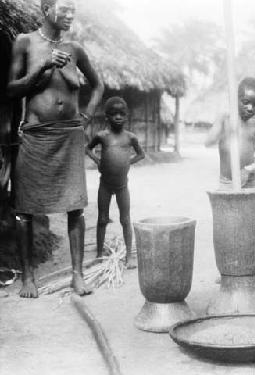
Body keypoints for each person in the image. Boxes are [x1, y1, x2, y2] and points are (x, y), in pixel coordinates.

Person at [7, 0, 104, 297]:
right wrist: (43, 66)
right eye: (64, 9)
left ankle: (78, 275)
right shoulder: (25, 42)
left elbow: (99, 85)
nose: (70, 14)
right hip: (36, 136)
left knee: (76, 206)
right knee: (26, 209)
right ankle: (28, 278)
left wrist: (85, 118)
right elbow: (11, 90)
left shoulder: (75, 49)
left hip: (69, 136)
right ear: (46, 9)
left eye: (73, 10)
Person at [86, 97, 145, 269]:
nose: (118, 117)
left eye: (122, 114)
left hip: (122, 186)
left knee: (125, 219)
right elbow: (87, 148)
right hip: (105, 184)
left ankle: (128, 256)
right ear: (107, 117)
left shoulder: (130, 138)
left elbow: (141, 154)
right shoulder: (102, 136)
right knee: (102, 219)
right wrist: (98, 161)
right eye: (114, 114)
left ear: (127, 116)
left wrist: (128, 162)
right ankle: (98, 254)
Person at [204, 77, 255, 189]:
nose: (250, 108)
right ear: (236, 100)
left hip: (250, 183)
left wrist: (249, 169)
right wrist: (224, 131)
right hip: (227, 183)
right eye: (245, 102)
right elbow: (208, 142)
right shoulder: (224, 119)